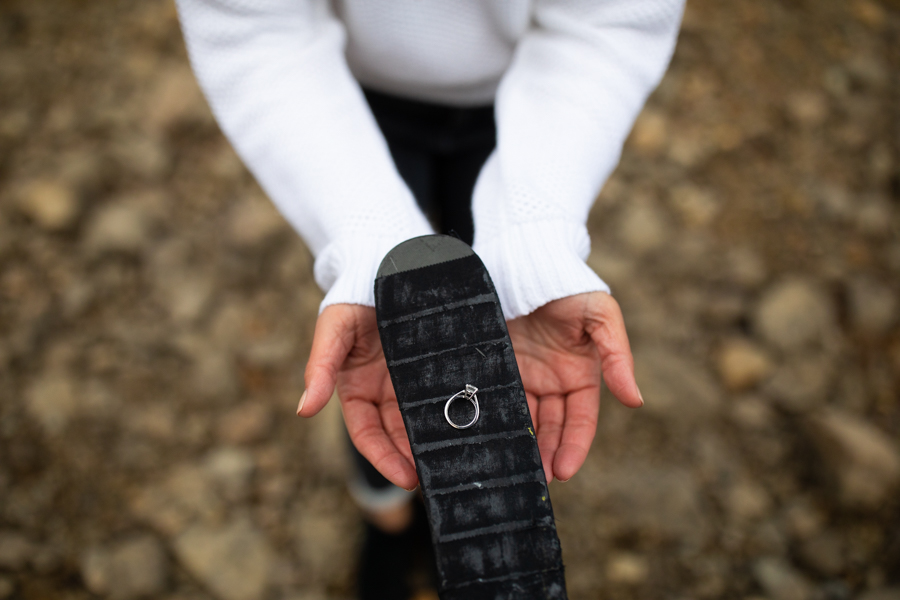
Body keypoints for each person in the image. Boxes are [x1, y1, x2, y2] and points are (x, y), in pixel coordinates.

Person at [175, 1, 684, 597]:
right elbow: (250, 25)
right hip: (343, 101)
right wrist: (369, 251)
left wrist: (532, 246)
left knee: (467, 346)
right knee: (381, 346)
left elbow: (614, 18)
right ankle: (386, 514)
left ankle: (447, 516)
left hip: (533, 99)